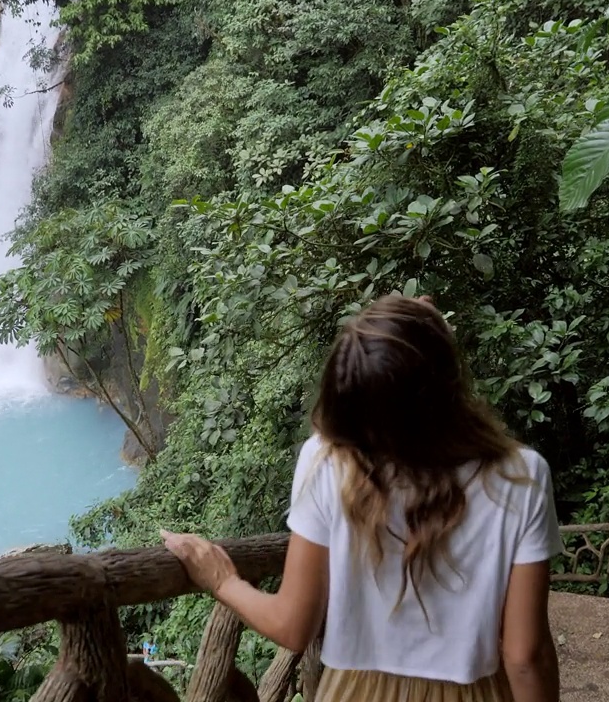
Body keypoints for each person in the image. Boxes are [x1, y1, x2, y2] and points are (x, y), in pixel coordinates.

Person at [161, 293, 563, 702]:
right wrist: (420, 333)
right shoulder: (522, 474)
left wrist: (222, 579)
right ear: (446, 382)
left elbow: (293, 625)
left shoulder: (325, 461)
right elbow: (525, 655)